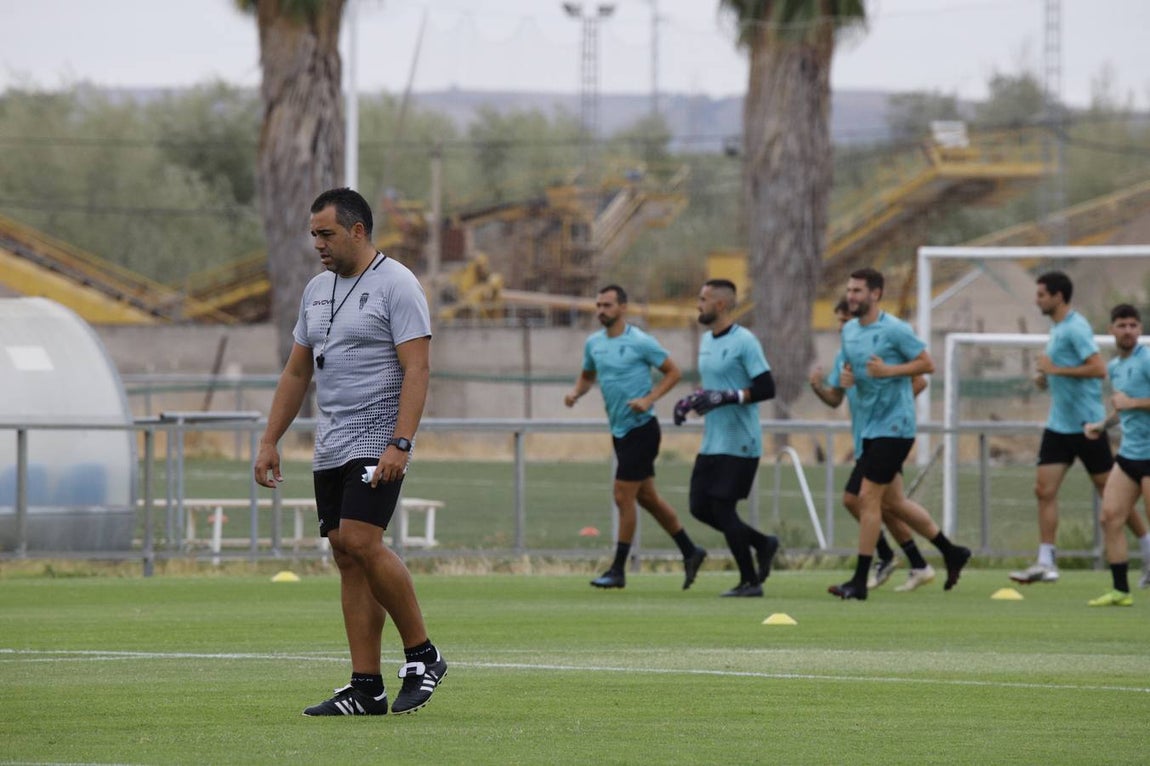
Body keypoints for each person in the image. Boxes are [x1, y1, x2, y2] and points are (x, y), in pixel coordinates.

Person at [254, 187, 446, 716]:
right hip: (331, 442)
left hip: (377, 437)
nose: (317, 243)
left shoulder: (398, 284)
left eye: (327, 234)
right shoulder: (316, 290)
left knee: (362, 540)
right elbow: (297, 371)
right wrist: (270, 440)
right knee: (345, 552)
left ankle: (423, 655)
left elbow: (418, 369)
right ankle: (366, 686)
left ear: (357, 231)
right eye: (314, 234)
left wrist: (399, 442)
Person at [826, 268, 971, 601]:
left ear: (875, 294)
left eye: (858, 290)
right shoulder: (849, 331)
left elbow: (926, 365)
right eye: (849, 290)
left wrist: (890, 371)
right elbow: (846, 381)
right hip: (869, 431)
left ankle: (862, 579)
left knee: (867, 498)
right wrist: (841, 382)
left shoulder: (894, 329)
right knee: (885, 501)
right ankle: (950, 552)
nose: (852, 296)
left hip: (895, 428)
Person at [564, 285, 708, 590]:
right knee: (648, 499)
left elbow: (673, 372)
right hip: (619, 431)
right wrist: (576, 393)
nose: (601, 310)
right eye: (598, 304)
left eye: (607, 305)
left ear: (623, 308)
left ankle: (618, 569)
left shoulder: (641, 341)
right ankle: (690, 550)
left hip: (642, 428)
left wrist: (649, 398)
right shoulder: (594, 344)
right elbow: (588, 374)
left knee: (622, 495)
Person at [1011, 271, 1150, 584]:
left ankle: (1146, 548)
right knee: (1043, 490)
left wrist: (1055, 368)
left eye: (1042, 294)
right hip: (1058, 424)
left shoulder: (1076, 327)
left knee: (1113, 498)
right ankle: (1046, 560)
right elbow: (1062, 370)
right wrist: (1044, 377)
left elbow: (1097, 368)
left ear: (1058, 296)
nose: (1037, 300)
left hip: (1086, 424)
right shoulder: (1057, 329)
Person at [809, 298, 936, 592]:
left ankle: (883, 563)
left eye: (845, 320)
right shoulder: (846, 354)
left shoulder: (882, 339)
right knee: (889, 504)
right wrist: (818, 386)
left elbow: (921, 379)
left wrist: (892, 408)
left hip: (888, 435)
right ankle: (925, 560)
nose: (844, 326)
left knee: (862, 499)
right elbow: (835, 398)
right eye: (840, 322)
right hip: (866, 438)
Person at [672, 279, 779, 598]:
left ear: (720, 305)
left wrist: (729, 396)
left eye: (703, 299)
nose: (698, 304)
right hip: (713, 441)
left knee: (722, 508)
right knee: (698, 507)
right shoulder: (707, 340)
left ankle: (750, 581)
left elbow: (766, 388)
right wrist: (692, 401)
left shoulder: (745, 341)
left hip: (740, 441)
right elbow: (714, 387)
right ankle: (762, 543)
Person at [1085, 304, 1150, 606]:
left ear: (1140, 329)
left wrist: (1133, 403)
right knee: (1110, 517)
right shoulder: (1113, 367)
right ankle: (1121, 590)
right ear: (1111, 329)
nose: (1128, 331)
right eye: (1122, 325)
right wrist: (1102, 425)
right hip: (1129, 455)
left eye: (1133, 325)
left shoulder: (1147, 359)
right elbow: (1121, 408)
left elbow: (1130, 403)